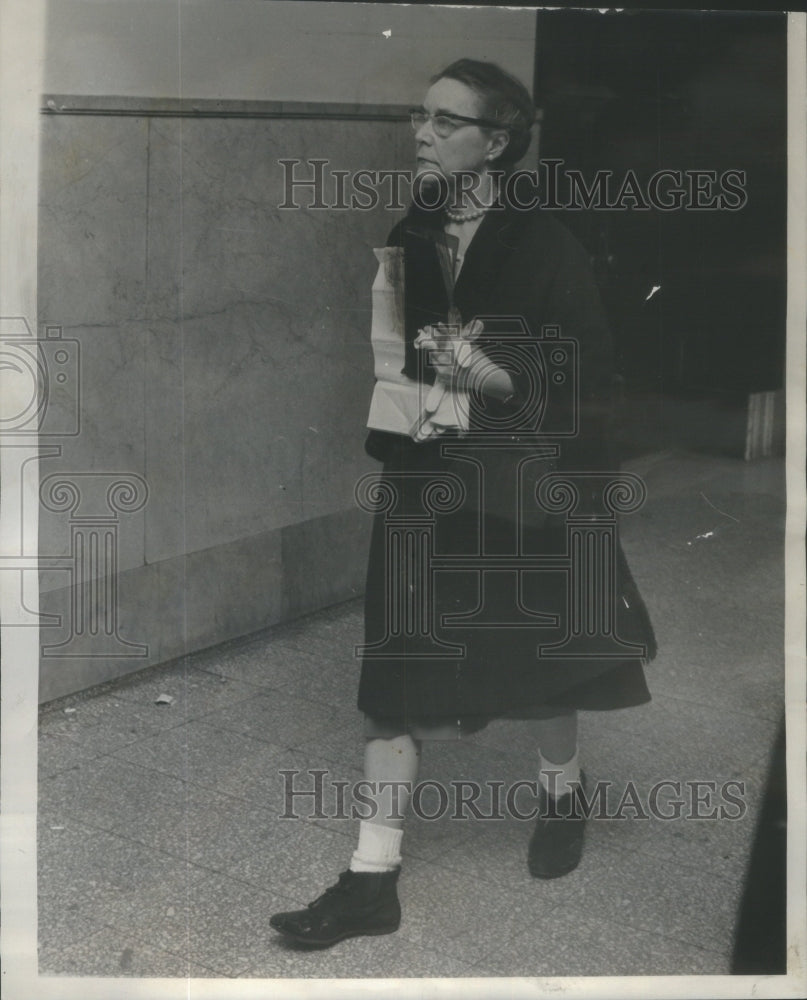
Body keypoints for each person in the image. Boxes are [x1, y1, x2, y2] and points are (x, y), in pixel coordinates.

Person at [270, 58, 656, 949]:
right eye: (421, 116)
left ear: (497, 142)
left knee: (540, 669)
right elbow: (401, 354)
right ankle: (371, 881)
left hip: (518, 492)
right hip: (422, 482)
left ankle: (561, 795)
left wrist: (488, 375)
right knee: (394, 679)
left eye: (446, 122)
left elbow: (589, 385)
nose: (422, 132)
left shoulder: (546, 245)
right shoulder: (411, 230)